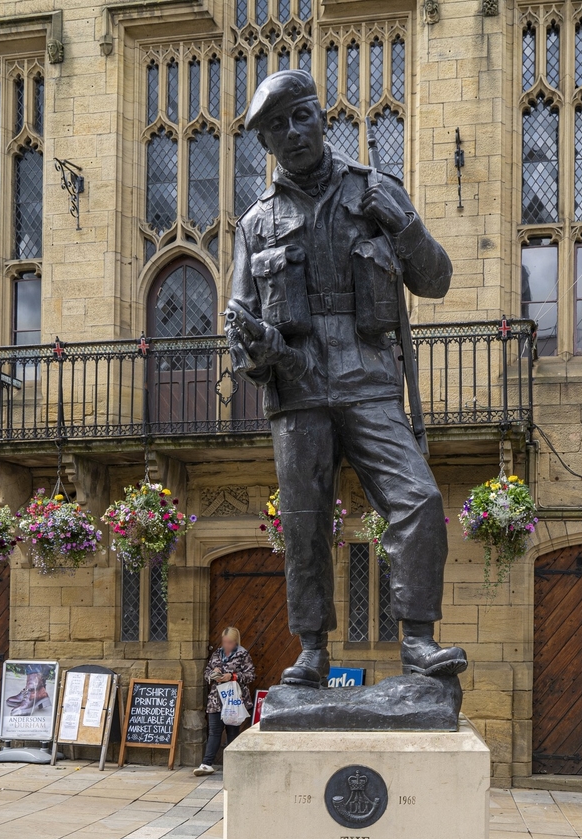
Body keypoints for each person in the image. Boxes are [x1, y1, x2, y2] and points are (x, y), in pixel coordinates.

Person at [226, 69, 464, 689]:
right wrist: (256, 348)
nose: (292, 132)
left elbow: (435, 281)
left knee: (419, 500)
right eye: (277, 126)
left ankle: (417, 641)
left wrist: (406, 227)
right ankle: (311, 649)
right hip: (297, 386)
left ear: (321, 117)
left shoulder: (375, 192)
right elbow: (240, 326)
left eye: (300, 116)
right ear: (267, 143)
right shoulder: (255, 225)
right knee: (304, 522)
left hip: (368, 377)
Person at [193, 627, 256, 776]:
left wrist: (232, 676)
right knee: (214, 730)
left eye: (230, 642)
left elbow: (251, 675)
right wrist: (213, 674)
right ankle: (206, 764)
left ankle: (232, 764)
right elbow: (206, 673)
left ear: (236, 642)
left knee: (232, 731)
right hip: (216, 699)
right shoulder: (217, 653)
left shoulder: (242, 654)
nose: (226, 645)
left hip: (234, 699)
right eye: (225, 641)